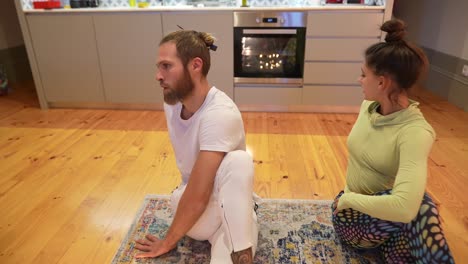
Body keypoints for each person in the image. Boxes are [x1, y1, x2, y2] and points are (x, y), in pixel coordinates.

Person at [331, 19, 455, 263]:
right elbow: (408, 209)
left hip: (384, 218)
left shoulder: (416, 132)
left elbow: (405, 208)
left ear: (382, 82)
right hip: (351, 218)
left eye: (363, 74)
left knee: (418, 206)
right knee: (421, 207)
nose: (359, 80)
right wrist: (346, 199)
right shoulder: (368, 107)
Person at [133, 30, 258, 263]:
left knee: (238, 162)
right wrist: (168, 241)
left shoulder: (220, 113)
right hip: (198, 208)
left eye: (166, 66)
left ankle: (238, 249)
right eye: (159, 67)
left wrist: (168, 240)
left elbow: (202, 191)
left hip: (227, 210)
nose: (158, 76)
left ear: (195, 65)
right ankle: (241, 236)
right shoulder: (172, 102)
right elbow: (198, 194)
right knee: (239, 162)